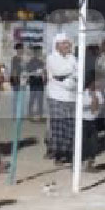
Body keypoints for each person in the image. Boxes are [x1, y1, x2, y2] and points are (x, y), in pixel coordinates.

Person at [46, 35, 79, 164]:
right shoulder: (51, 58)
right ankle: (58, 154)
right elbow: (58, 72)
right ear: (57, 45)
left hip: (71, 97)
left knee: (70, 127)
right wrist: (71, 71)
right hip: (56, 97)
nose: (67, 46)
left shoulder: (73, 58)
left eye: (68, 43)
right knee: (58, 127)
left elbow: (77, 74)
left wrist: (69, 75)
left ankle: (68, 152)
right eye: (64, 43)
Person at [25, 45, 47, 122]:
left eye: (40, 51)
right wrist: (35, 73)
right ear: (35, 52)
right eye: (39, 51)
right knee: (32, 100)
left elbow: (44, 72)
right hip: (34, 83)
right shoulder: (31, 62)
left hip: (40, 83)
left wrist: (44, 76)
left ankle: (39, 116)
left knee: (39, 100)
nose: (40, 53)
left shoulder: (41, 62)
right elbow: (28, 72)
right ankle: (30, 115)